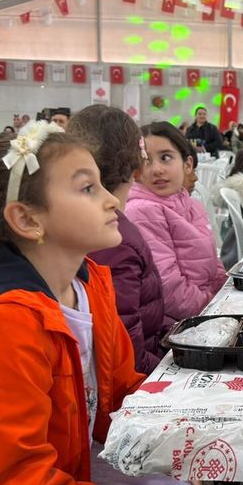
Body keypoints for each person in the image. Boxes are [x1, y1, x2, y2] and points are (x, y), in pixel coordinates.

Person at [0, 122, 216, 485]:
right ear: (27, 218)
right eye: (87, 189)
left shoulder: (90, 283)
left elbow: (117, 391)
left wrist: (189, 434)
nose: (113, 199)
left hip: (63, 472)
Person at [68, 105, 170, 374]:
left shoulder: (93, 226)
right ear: (139, 166)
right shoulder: (111, 238)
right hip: (132, 385)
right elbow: (126, 359)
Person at [130, 122, 226, 321]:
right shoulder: (142, 211)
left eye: (166, 158)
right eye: (145, 160)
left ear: (187, 164)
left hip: (206, 311)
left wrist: (225, 295)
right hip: (176, 326)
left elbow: (214, 265)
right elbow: (170, 291)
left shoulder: (193, 206)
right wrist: (215, 307)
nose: (156, 169)